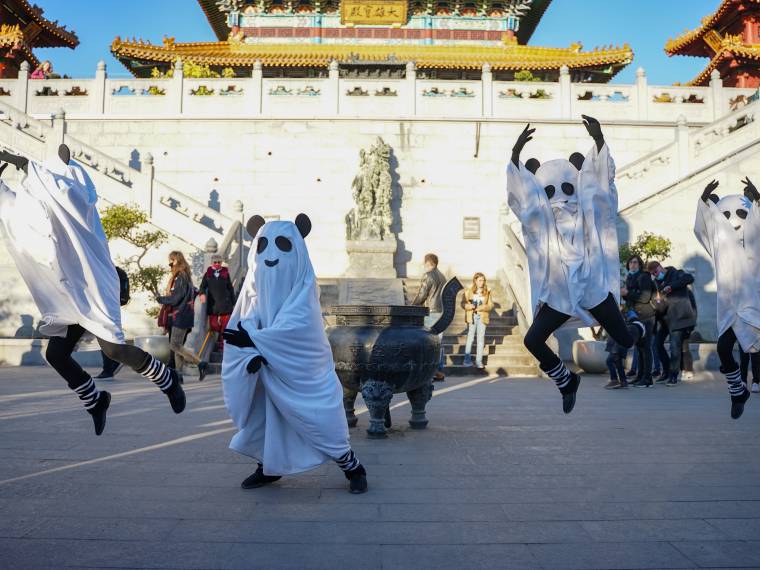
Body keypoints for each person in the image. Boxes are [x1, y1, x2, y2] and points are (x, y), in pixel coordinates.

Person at [0, 146, 185, 435]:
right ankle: (96, 400)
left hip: (92, 287)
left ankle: (167, 379)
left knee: (112, 349)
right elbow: (18, 214)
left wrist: (23, 163)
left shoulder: (77, 199)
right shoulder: (44, 202)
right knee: (56, 355)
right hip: (66, 295)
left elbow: (60, 191)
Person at [222, 214, 368, 494]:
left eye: (282, 245)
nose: (271, 254)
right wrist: (251, 349)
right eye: (263, 245)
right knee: (265, 416)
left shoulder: (304, 290)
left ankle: (352, 466)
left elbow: (296, 328)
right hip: (268, 369)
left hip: (304, 371)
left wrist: (256, 341)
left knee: (319, 417)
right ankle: (268, 466)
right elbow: (248, 314)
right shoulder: (255, 281)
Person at [507, 117, 634, 413]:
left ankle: (639, 324)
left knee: (626, 339)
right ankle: (565, 381)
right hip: (560, 293)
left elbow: (601, 186)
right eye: (551, 192)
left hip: (591, 287)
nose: (561, 198)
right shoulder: (542, 217)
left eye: (566, 188)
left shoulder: (588, 210)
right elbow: (522, 199)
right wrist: (514, 159)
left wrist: (599, 142)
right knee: (533, 340)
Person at [694, 177, 760, 419]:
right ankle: (737, 391)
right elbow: (703, 229)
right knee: (723, 349)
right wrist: (703, 201)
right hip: (731, 306)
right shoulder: (719, 242)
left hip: (753, 303)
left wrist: (759, 201)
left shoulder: (754, 237)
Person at [157, 251, 209, 381]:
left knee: (175, 346)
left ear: (177, 260)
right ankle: (178, 376)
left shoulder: (181, 276)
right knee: (178, 347)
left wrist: (161, 299)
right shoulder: (185, 276)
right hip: (183, 315)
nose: (169, 264)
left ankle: (200, 363)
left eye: (171, 261)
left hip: (180, 316)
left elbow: (177, 297)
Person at [647, 260, 697, 386]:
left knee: (675, 347)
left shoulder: (676, 273)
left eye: (656, 272)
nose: (656, 275)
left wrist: (671, 287)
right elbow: (659, 303)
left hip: (679, 318)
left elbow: (689, 278)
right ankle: (666, 371)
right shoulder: (656, 283)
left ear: (660, 267)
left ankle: (673, 375)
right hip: (665, 320)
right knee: (657, 344)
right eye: (653, 274)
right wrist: (657, 303)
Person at [621, 254, 656, 388]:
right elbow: (631, 298)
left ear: (640, 264)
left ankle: (647, 379)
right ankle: (640, 376)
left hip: (646, 316)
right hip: (636, 316)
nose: (633, 265)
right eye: (630, 263)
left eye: (635, 262)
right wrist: (626, 295)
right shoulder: (631, 277)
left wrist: (627, 293)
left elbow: (645, 297)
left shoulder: (643, 276)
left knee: (645, 349)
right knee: (640, 348)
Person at [411, 253, 447, 381]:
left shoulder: (428, 276)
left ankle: (429, 373)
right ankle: (440, 371)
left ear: (428, 263)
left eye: (425, 263)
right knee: (438, 343)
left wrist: (412, 307)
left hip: (431, 312)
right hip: (441, 312)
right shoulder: (443, 276)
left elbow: (422, 294)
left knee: (428, 343)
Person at [198, 253, 236, 356]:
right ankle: (220, 338)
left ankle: (223, 347)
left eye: (219, 262)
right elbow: (202, 287)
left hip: (225, 304)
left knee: (225, 327)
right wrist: (202, 294)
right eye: (215, 262)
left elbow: (230, 289)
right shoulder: (208, 274)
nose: (217, 264)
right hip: (213, 305)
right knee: (214, 326)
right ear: (212, 263)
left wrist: (234, 302)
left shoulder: (225, 273)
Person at [605, 309, 647, 390]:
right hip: (621, 342)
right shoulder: (629, 321)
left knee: (609, 361)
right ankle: (623, 381)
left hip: (619, 344)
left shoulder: (627, 322)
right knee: (617, 362)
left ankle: (614, 380)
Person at [462, 272, 493, 369]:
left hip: (482, 317)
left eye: (483, 280)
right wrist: (468, 306)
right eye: (480, 280)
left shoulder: (487, 291)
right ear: (475, 281)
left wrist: (482, 307)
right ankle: (467, 360)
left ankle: (479, 361)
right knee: (470, 338)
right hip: (472, 316)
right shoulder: (468, 291)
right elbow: (462, 304)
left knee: (481, 339)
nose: (482, 282)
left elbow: (491, 305)